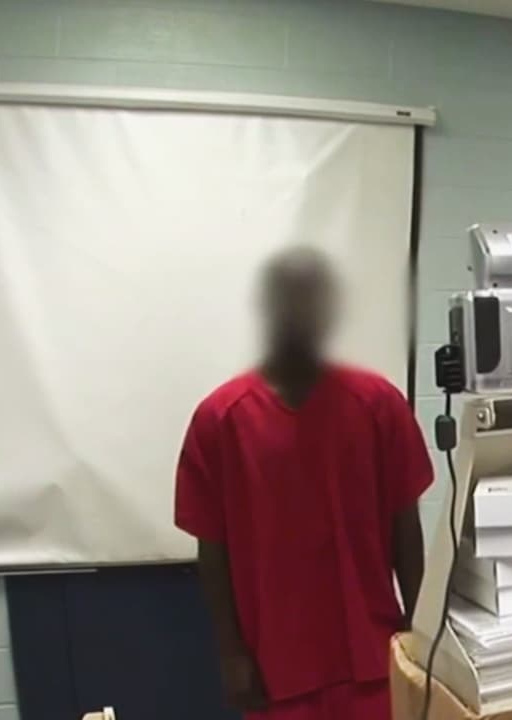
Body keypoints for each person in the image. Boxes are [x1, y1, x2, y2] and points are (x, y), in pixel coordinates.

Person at [175, 247, 431, 719]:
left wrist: (422, 642)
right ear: (266, 310)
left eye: (312, 299)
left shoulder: (379, 405)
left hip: (372, 661)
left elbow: (407, 532)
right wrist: (231, 652)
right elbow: (212, 550)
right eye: (288, 299)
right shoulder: (220, 419)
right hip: (273, 674)